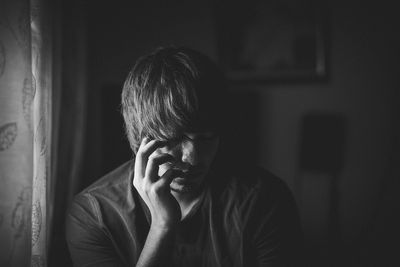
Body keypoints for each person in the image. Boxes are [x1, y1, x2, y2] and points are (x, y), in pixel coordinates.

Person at [66, 47, 304, 267]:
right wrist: (162, 226)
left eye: (207, 137)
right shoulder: (94, 215)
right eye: (172, 139)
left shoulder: (264, 199)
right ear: (140, 138)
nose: (193, 158)